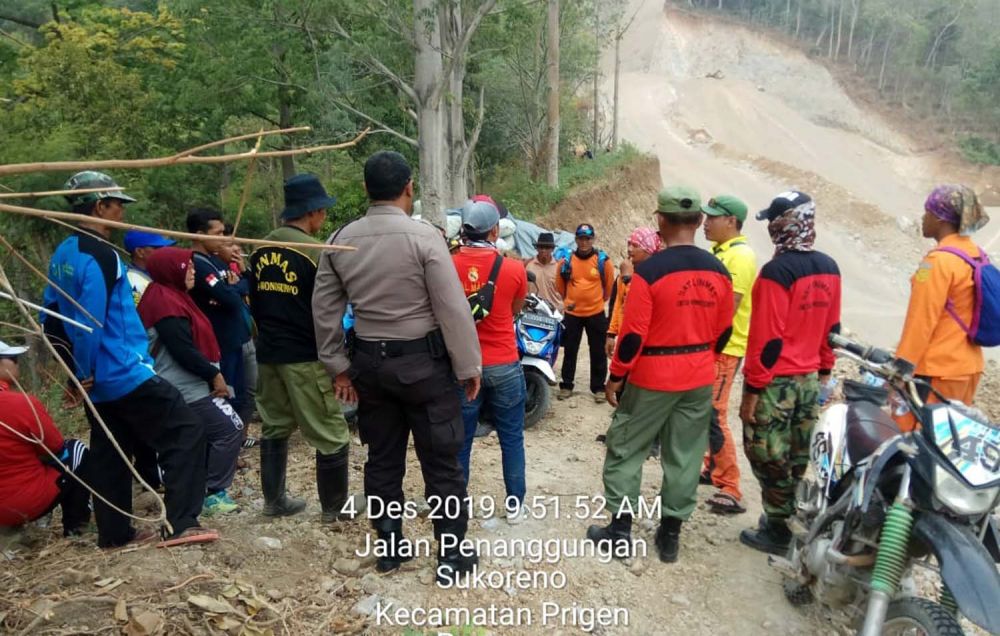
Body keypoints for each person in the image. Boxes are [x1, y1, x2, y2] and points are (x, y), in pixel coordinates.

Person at [312, 151, 482, 584]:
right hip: (425, 366)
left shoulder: (340, 240)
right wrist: (468, 365)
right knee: (441, 462)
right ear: (409, 187)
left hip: (369, 365)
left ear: (366, 188)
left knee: (382, 460)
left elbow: (324, 310)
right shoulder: (425, 238)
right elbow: (452, 308)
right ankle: (451, 554)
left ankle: (390, 548)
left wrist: (338, 367)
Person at [43, 171, 215, 548]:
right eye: (117, 204)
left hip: (97, 379)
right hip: (122, 370)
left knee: (112, 451)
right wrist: (84, 369)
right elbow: (89, 322)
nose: (122, 211)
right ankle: (182, 523)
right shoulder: (101, 255)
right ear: (99, 206)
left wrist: (74, 372)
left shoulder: (63, 253)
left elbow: (50, 317)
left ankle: (115, 533)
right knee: (186, 430)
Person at [587, 187, 734, 564]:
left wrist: (616, 376)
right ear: (698, 221)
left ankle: (620, 532)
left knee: (626, 447)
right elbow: (725, 331)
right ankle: (670, 537)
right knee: (685, 453)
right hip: (698, 375)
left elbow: (633, 335)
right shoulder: (718, 271)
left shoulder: (650, 272)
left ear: (661, 222)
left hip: (652, 375)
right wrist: (702, 358)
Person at [738, 191, 841, 555]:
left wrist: (752, 391)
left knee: (765, 453)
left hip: (775, 382)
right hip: (809, 379)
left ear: (786, 224)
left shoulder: (776, 272)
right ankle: (788, 515)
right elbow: (832, 328)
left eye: (773, 221)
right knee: (797, 454)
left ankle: (778, 527)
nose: (770, 227)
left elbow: (767, 339)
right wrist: (825, 372)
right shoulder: (829, 267)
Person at [248, 174, 351, 522]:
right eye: (323, 211)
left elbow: (253, 302)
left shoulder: (258, 248)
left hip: (268, 353)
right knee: (331, 431)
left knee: (274, 425)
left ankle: (274, 501)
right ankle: (334, 509)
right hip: (304, 355)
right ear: (313, 212)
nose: (324, 217)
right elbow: (326, 310)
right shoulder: (315, 253)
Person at [137, 247, 243, 516]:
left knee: (199, 435)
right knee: (230, 427)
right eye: (188, 266)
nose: (193, 271)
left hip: (186, 382)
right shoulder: (165, 303)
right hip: (183, 385)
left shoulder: (170, 295)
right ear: (172, 270)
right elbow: (182, 349)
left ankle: (199, 488)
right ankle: (213, 492)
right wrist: (213, 375)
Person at [451, 199, 529, 523]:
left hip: (464, 367)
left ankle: (458, 506)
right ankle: (515, 506)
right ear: (495, 231)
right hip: (505, 364)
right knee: (511, 438)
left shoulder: (448, 264)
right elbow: (515, 309)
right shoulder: (513, 269)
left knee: (462, 439)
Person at [894, 185, 989, 431]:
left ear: (940, 218)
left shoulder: (938, 262)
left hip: (937, 371)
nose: (923, 218)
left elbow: (921, 321)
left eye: (927, 212)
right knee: (949, 439)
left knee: (914, 440)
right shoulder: (976, 255)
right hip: (967, 369)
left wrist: (900, 369)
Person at [700, 196, 757, 515]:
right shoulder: (721, 252)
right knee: (706, 411)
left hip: (725, 348)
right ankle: (712, 466)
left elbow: (727, 310)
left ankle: (731, 485)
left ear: (731, 222)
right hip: (714, 346)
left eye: (713, 217)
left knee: (714, 413)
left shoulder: (741, 256)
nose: (706, 223)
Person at [0, 342, 90, 536]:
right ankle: (76, 528)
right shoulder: (20, 403)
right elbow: (55, 446)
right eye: (13, 359)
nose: (17, 363)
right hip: (23, 502)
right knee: (76, 450)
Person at [186, 208, 251, 425]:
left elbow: (242, 286)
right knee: (226, 398)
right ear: (199, 234)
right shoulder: (198, 265)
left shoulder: (216, 261)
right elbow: (231, 298)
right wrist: (232, 291)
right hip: (218, 343)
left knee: (239, 396)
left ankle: (237, 440)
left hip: (234, 339)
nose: (223, 239)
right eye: (218, 233)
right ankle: (226, 443)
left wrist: (232, 289)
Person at [555, 223, 615, 402]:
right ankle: (566, 385)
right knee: (570, 350)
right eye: (581, 238)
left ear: (593, 239)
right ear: (576, 240)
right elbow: (559, 284)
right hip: (572, 314)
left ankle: (598, 388)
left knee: (598, 351)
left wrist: (598, 300)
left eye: (587, 238)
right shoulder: (566, 261)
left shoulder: (603, 261)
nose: (584, 242)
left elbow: (609, 286)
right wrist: (569, 300)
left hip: (596, 313)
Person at [605, 227, 661, 359]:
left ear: (648, 249)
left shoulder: (657, 274)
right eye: (629, 244)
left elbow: (638, 304)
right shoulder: (625, 273)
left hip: (647, 342)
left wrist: (628, 279)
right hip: (625, 338)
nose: (629, 249)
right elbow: (618, 304)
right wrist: (611, 334)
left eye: (635, 245)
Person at [124, 231, 175, 306]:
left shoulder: (154, 274)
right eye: (157, 248)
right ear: (139, 252)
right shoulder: (135, 283)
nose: (163, 251)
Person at [524, 233, 563, 313]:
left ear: (552, 249)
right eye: (541, 247)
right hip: (531, 312)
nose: (543, 250)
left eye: (547, 248)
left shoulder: (559, 267)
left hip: (554, 313)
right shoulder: (527, 265)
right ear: (537, 248)